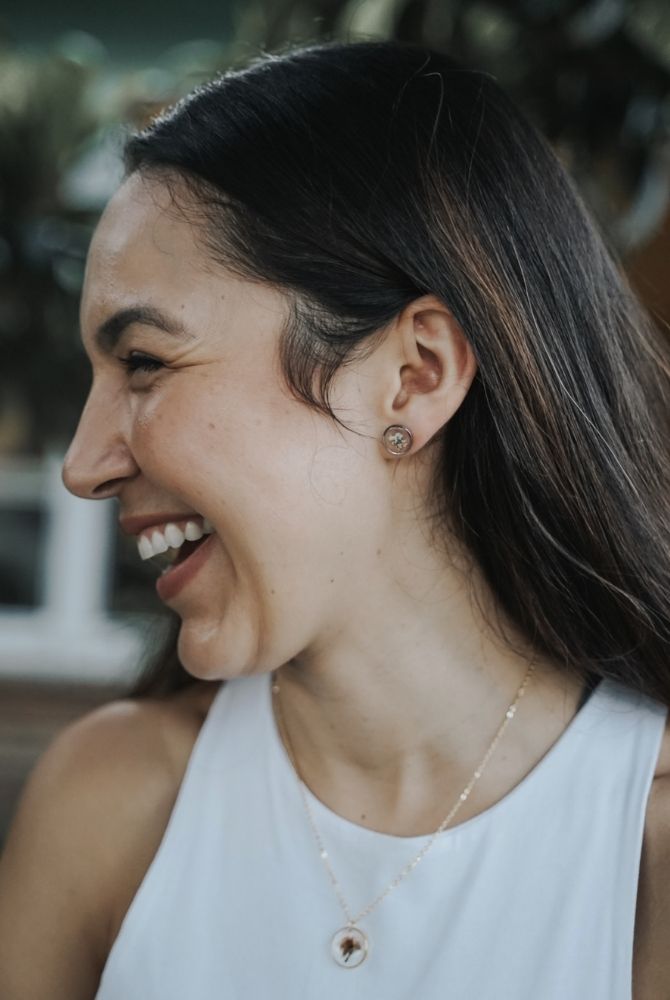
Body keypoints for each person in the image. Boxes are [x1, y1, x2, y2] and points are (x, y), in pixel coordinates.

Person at [1, 39, 669, 1000]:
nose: (81, 466)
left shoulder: (645, 855)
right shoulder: (111, 809)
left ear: (415, 375)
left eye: (144, 362)